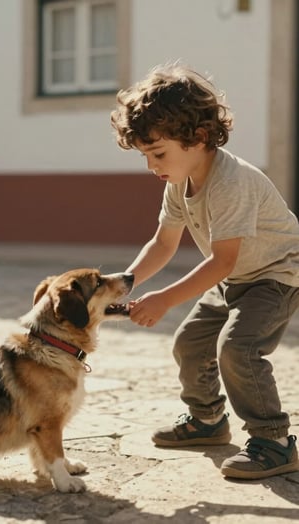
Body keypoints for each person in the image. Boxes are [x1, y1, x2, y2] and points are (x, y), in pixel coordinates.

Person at [110, 61, 299, 480]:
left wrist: (164, 300)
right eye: (146, 156)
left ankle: (274, 441)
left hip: (274, 277)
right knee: (190, 344)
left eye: (158, 153)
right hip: (236, 278)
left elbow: (222, 260)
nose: (151, 166)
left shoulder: (232, 182)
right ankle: (209, 420)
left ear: (197, 137)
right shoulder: (179, 180)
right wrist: (127, 283)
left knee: (239, 349)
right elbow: (163, 243)